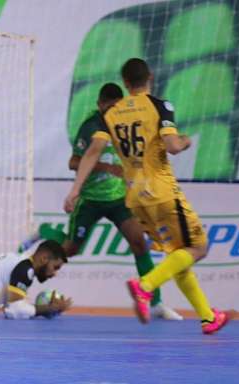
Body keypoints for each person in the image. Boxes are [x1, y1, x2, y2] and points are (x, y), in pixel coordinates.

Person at [64, 58, 232, 334]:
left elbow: (93, 151)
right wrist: (187, 140)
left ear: (126, 82)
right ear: (149, 77)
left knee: (180, 255)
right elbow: (173, 146)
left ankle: (207, 316)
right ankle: (146, 286)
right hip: (162, 191)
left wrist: (74, 190)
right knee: (197, 248)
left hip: (134, 197)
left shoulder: (111, 113)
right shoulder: (159, 105)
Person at [64, 82, 181, 321]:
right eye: (107, 108)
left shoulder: (126, 122)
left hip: (120, 199)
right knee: (70, 249)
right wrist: (105, 167)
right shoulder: (91, 126)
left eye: (115, 108)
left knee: (139, 243)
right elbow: (73, 163)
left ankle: (155, 302)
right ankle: (39, 242)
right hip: (91, 199)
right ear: (99, 105)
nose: (111, 113)